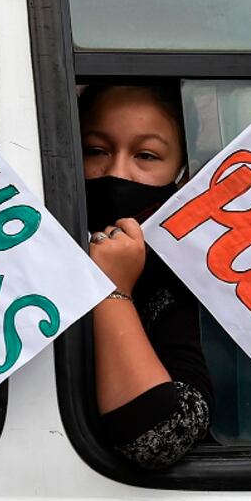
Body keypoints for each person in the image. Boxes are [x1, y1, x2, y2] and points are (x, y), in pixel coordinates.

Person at [79, 85, 214, 469]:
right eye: (96, 151)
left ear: (182, 175)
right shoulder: (30, 254)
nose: (117, 173)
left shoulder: (190, 279)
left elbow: (159, 438)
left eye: (146, 155)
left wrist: (112, 291)